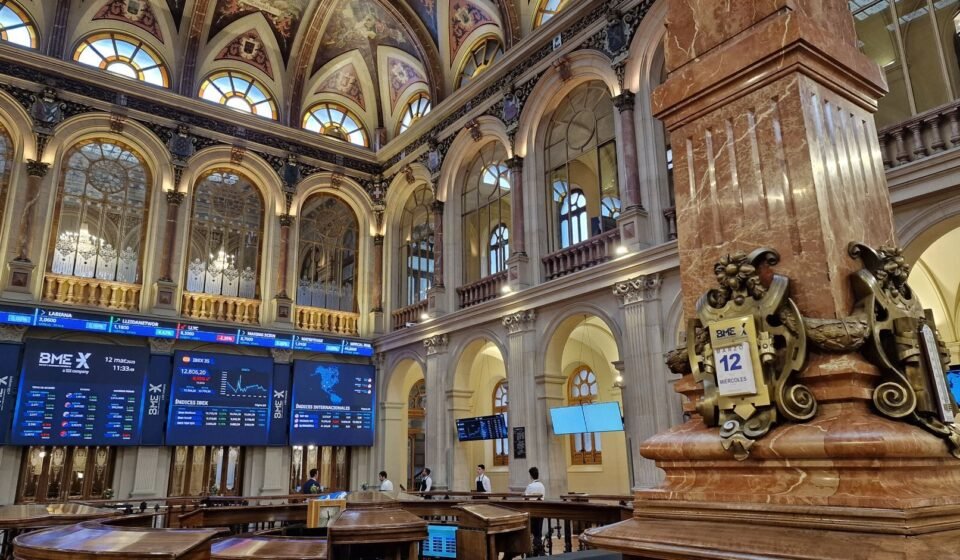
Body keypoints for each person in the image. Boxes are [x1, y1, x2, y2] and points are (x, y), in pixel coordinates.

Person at [524, 467, 546, 554]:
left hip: (532, 511)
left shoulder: (530, 486)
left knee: (532, 531)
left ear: (530, 475)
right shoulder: (542, 485)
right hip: (541, 511)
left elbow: (525, 498)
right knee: (539, 531)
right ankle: (539, 547)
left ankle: (533, 549)